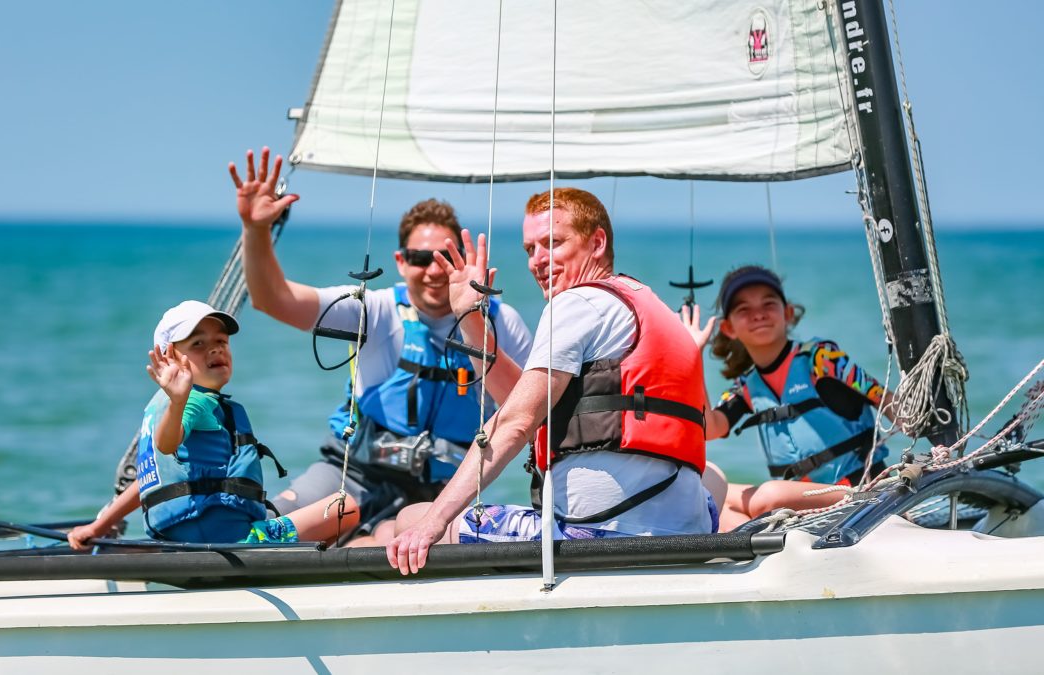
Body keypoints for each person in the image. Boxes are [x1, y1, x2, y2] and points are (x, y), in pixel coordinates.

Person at [387, 187, 714, 575]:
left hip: (600, 537)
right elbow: (526, 407)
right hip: (692, 530)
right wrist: (471, 319)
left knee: (410, 520)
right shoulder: (645, 304)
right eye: (529, 249)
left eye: (553, 244)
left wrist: (435, 522)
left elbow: (515, 422)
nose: (537, 261)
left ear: (597, 242)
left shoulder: (577, 303)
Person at [228, 148, 533, 539]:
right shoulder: (375, 311)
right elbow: (273, 299)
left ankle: (371, 542)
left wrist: (473, 320)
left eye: (445, 256)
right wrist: (256, 231)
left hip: (440, 496)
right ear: (401, 261)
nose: (433, 270)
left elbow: (533, 413)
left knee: (399, 540)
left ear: (461, 258)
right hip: (351, 475)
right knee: (264, 527)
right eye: (420, 258)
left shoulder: (500, 323)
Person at [68, 301, 358, 549]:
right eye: (198, 344)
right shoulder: (193, 403)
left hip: (175, 541)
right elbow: (167, 443)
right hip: (234, 541)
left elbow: (149, 481)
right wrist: (180, 401)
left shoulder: (161, 407)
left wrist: (99, 526)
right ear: (168, 357)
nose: (215, 349)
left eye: (221, 341)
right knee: (347, 509)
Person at [682, 265, 895, 531]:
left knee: (769, 496)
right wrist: (693, 355)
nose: (758, 314)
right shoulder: (745, 387)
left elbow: (886, 400)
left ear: (788, 313)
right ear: (729, 328)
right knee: (703, 488)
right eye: (743, 309)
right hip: (804, 504)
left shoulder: (822, 359)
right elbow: (709, 428)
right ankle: (752, 558)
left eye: (768, 304)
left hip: (862, 492)